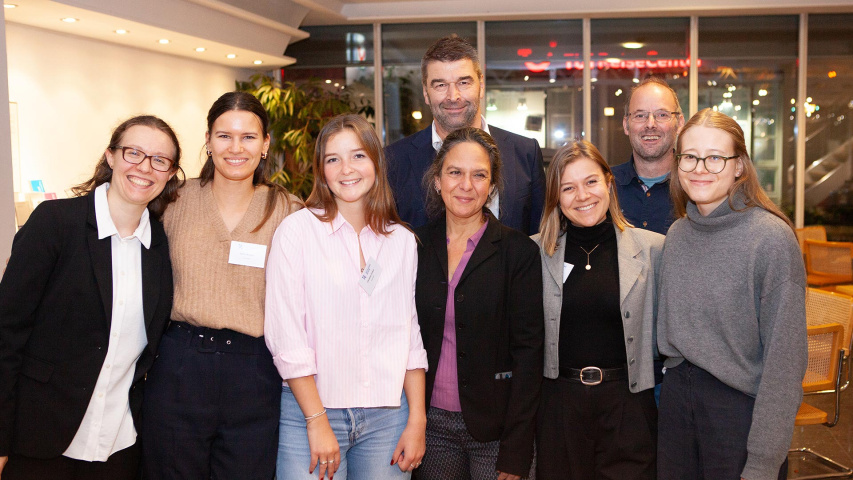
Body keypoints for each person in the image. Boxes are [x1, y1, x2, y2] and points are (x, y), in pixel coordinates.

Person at [0, 115, 182, 479]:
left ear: (169, 175)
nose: (145, 167)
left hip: (119, 447)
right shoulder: (55, 223)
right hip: (39, 441)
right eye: (134, 152)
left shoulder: (161, 247)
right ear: (111, 156)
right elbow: (6, 335)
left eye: (160, 160)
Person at [141, 92, 301, 480]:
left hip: (255, 371)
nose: (236, 148)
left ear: (265, 145)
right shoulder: (170, 202)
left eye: (248, 137)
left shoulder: (289, 211)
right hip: (179, 364)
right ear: (208, 142)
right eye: (224, 136)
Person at [265, 113, 428, 480]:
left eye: (358, 156)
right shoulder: (296, 232)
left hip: (389, 417)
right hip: (314, 411)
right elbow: (286, 336)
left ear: (375, 162)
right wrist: (316, 420)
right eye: (332, 159)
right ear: (321, 170)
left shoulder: (400, 240)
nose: (346, 169)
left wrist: (417, 419)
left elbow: (409, 333)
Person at [657, 108, 807, 480]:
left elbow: (784, 366)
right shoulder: (677, 235)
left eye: (715, 157)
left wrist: (763, 461)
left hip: (738, 414)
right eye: (689, 156)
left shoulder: (770, 239)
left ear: (739, 166)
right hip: (677, 404)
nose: (699, 167)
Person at [414, 127, 543, 480]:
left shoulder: (518, 253)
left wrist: (517, 450)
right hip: (430, 427)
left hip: (496, 431)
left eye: (479, 175)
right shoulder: (414, 246)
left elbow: (529, 355)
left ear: (493, 185)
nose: (466, 185)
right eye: (455, 172)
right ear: (438, 180)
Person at [532, 140, 663, 480]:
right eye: (568, 188)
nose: (582, 196)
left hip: (628, 408)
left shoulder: (655, 250)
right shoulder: (533, 253)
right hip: (559, 408)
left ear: (608, 182)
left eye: (590, 182)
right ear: (556, 198)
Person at [386, 35, 546, 235]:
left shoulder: (525, 153)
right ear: (426, 93)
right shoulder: (393, 161)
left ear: (481, 85)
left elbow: (541, 239)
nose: (453, 96)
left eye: (463, 82)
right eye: (440, 85)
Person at [612, 75, 685, 235]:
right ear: (626, 125)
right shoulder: (605, 186)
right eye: (640, 115)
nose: (650, 124)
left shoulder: (695, 186)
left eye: (662, 115)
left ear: (679, 123)